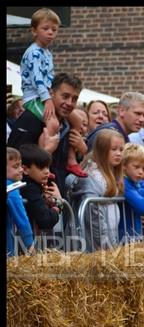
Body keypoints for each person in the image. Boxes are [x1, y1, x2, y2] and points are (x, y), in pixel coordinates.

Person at [20, 8, 86, 178]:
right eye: (45, 28)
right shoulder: (33, 52)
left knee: (78, 119)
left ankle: (72, 160)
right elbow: (37, 79)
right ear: (34, 30)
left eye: (54, 29)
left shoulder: (47, 53)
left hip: (46, 95)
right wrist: (48, 98)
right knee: (53, 124)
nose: (50, 32)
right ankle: (45, 165)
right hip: (34, 96)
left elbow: (50, 77)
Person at [9, 72, 85, 197]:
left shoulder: (67, 125)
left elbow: (60, 165)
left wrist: (80, 152)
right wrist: (45, 151)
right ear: (51, 93)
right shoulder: (31, 119)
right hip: (31, 199)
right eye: (65, 96)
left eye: (74, 99)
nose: (70, 103)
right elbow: (17, 161)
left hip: (55, 196)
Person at [65, 129, 125, 252]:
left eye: (121, 149)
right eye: (113, 149)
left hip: (109, 237)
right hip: (95, 244)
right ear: (102, 151)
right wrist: (103, 243)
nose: (118, 153)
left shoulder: (112, 175)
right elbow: (94, 216)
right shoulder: (92, 177)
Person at [18, 143, 64, 237]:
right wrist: (59, 203)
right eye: (41, 167)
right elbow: (45, 220)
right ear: (25, 169)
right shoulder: (29, 188)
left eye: (47, 166)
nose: (47, 171)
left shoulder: (32, 186)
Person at [6, 147, 35, 256]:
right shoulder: (11, 186)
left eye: (20, 165)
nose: (21, 169)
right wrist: (30, 244)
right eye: (15, 166)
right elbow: (21, 218)